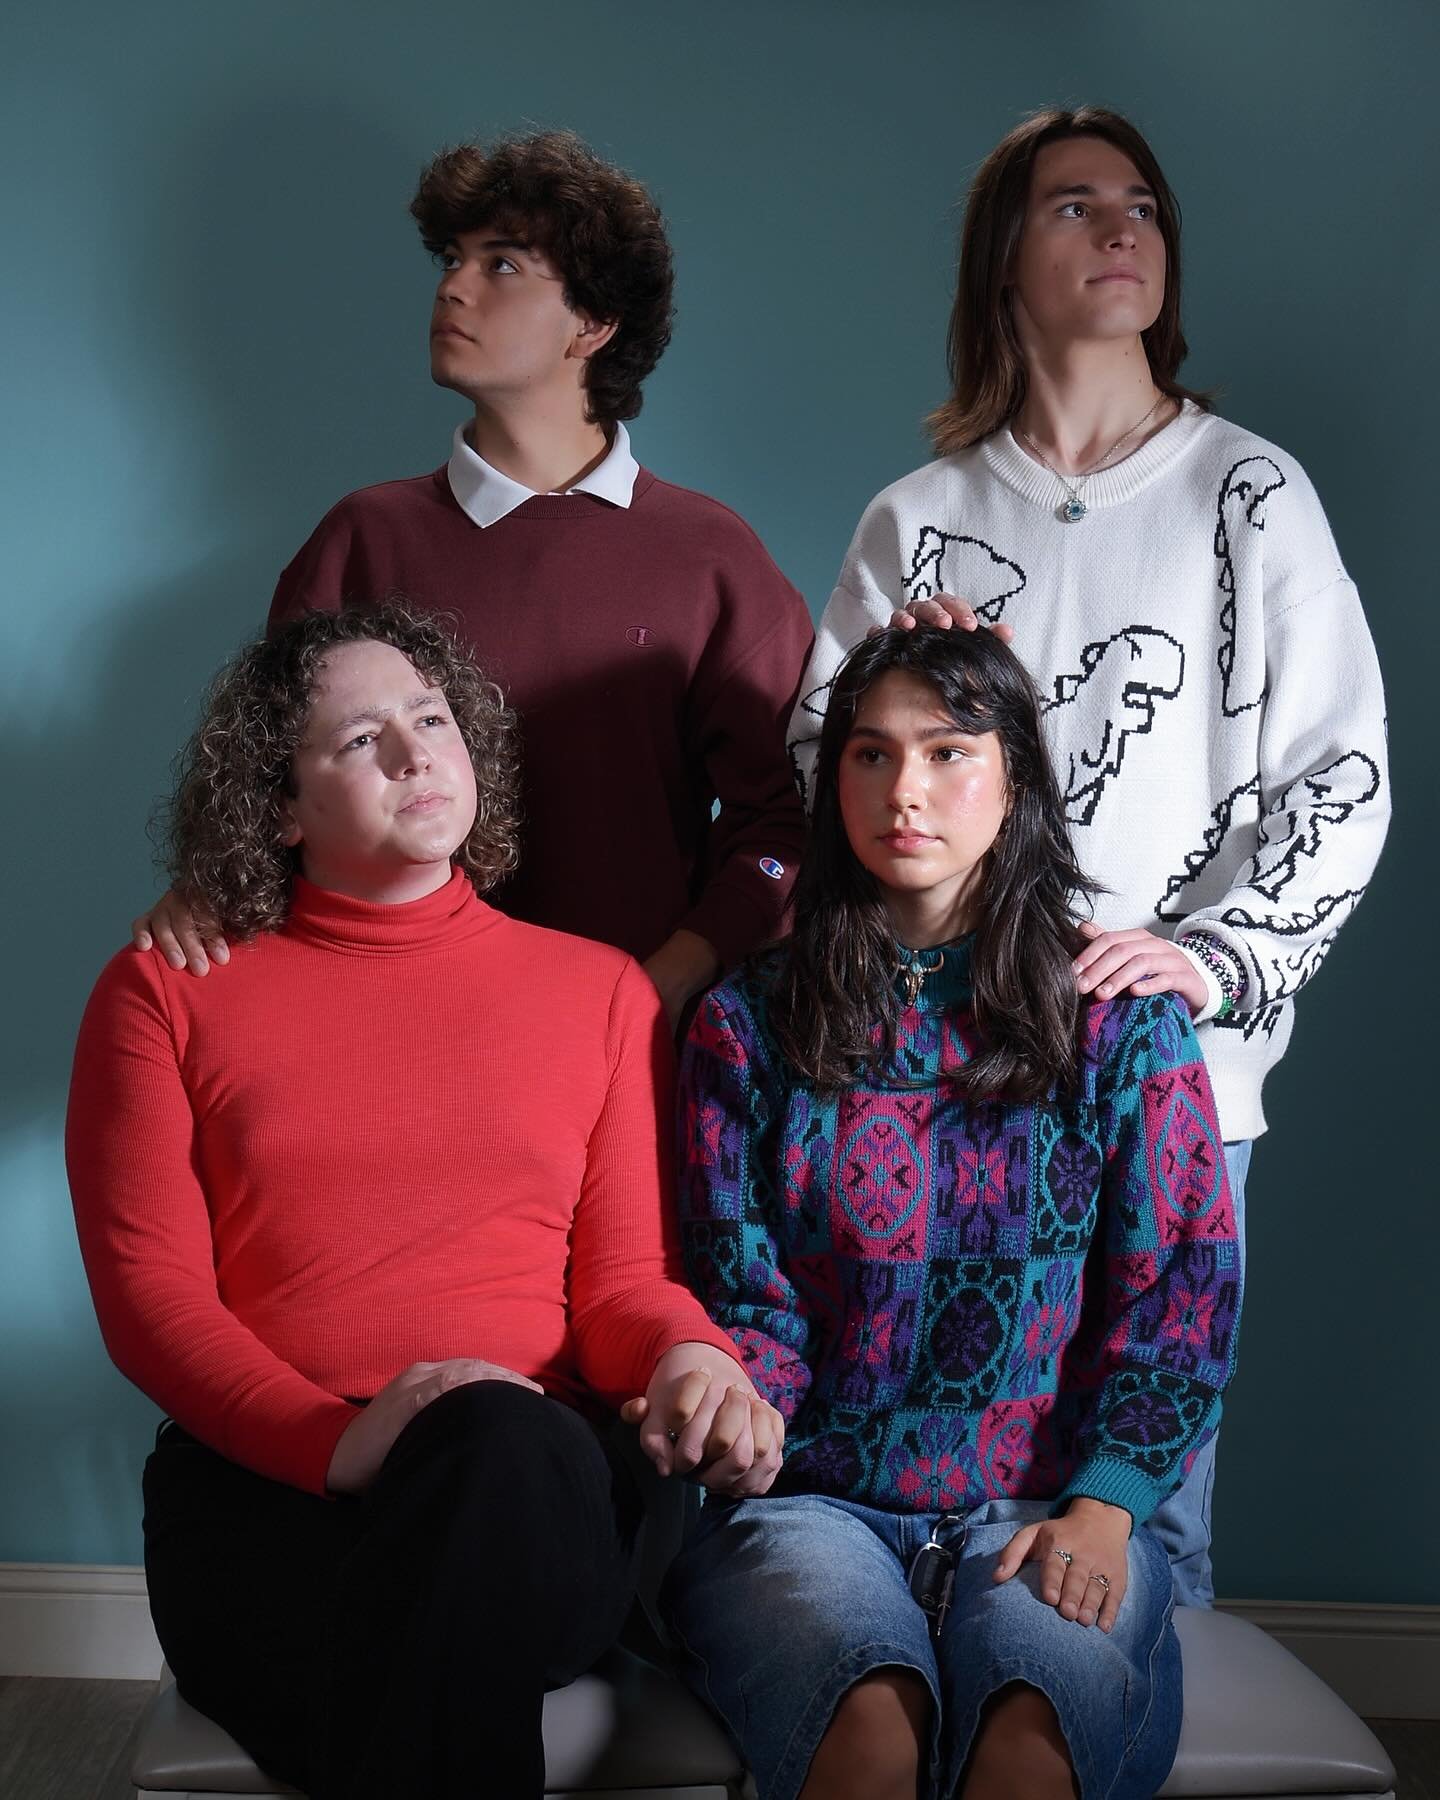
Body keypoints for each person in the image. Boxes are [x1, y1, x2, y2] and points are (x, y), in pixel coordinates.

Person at [786, 106, 1387, 1604]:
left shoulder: (1248, 492)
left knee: (1138, 1516)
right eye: (1073, 204)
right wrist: (894, 692)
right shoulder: (921, 517)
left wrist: (1213, 959)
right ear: (1004, 257)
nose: (1122, 228)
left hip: (1161, 1076)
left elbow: (1341, 775)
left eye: (1143, 204)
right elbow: (820, 764)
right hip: (933, 1080)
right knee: (901, 1490)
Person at [67, 602, 784, 1800]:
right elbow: (152, 1302)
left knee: (490, 1444)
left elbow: (623, 1288)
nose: (413, 753)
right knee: (434, 1627)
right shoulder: (165, 992)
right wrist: (338, 1440)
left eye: (433, 719)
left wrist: (692, 1355)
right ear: (278, 805)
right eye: (360, 740)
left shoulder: (601, 994)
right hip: (271, 1503)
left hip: (527, 1485)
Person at [666, 625, 1240, 1800]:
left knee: (1028, 1745)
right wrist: (736, 1413)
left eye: (947, 752)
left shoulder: (1120, 1023)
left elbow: (1182, 1301)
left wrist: (1107, 1506)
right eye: (871, 755)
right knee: (868, 1737)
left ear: (1015, 780)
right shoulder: (748, 1023)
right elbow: (747, 1300)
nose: (904, 792)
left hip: (1047, 1507)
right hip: (815, 1508)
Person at [135, 130, 814, 1029]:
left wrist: (665, 980)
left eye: (501, 265)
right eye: (451, 259)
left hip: (633, 1049)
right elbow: (273, 786)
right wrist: (208, 889)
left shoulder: (711, 555)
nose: (452, 286)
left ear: (593, 323)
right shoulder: (361, 540)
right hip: (395, 1031)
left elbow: (785, 825)